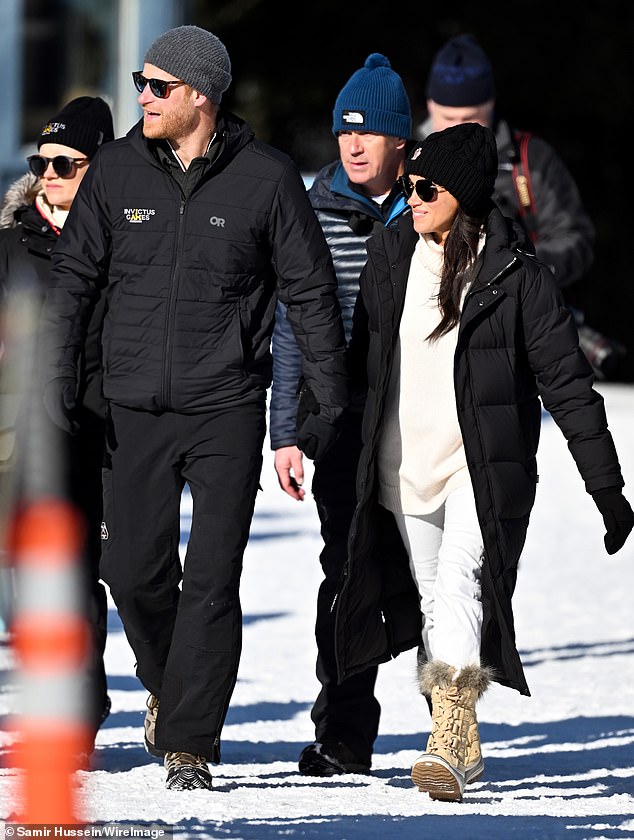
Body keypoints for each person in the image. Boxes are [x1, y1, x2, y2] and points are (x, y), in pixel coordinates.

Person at [39, 25, 348, 792]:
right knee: (131, 571)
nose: (141, 96)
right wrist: (54, 381)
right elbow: (74, 279)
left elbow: (310, 293)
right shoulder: (113, 171)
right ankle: (169, 683)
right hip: (131, 408)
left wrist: (325, 399)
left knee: (212, 580)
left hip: (226, 410)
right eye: (142, 83)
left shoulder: (268, 178)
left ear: (200, 96)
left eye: (158, 85)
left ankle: (189, 745)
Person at [332, 122, 634, 802]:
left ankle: (452, 739)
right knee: (435, 598)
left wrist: (605, 486)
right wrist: (320, 428)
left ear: (463, 195)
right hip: (400, 463)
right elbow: (361, 364)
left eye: (425, 188)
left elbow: (568, 384)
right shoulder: (389, 255)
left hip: (481, 464)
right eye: (408, 186)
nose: (410, 197)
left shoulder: (516, 277)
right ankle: (457, 736)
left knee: (464, 583)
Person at [270, 53, 412, 776]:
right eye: (343, 132)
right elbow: (293, 323)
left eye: (368, 134)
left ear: (400, 142)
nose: (352, 145)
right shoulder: (312, 205)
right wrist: (286, 430)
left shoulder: (428, 208)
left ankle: (453, 726)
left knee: (428, 578)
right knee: (347, 571)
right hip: (342, 420)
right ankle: (343, 734)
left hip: (421, 425)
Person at [0, 96, 115, 749]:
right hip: (23, 440)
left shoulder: (126, 247)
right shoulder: (9, 246)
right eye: (41, 161)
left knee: (95, 571)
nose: (48, 173)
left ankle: (84, 703)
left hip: (103, 433)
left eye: (65, 163)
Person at [416, 35, 622, 378]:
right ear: (429, 106)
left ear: (491, 105)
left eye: (470, 117)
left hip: (518, 340)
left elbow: (575, 236)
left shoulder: (530, 161)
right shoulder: (410, 161)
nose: (459, 130)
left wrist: (521, 269)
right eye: (448, 117)